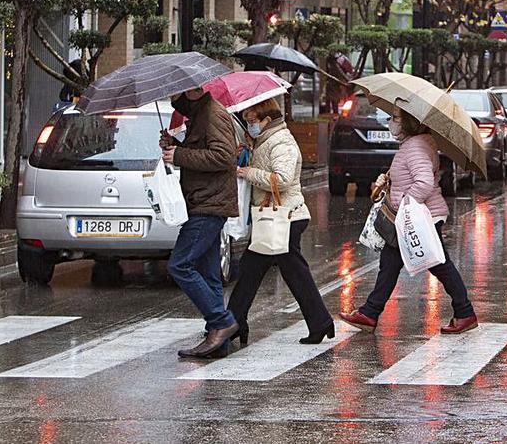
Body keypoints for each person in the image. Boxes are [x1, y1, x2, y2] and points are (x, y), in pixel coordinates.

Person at [339, 108, 478, 335]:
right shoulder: (414, 145)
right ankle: (370, 313)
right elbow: (412, 176)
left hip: (421, 218)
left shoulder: (415, 146)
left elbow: (423, 182)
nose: (391, 122)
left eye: (396, 118)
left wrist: (405, 204)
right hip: (414, 217)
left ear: (410, 123)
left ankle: (465, 312)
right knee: (390, 263)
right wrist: (388, 178)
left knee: (439, 265)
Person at [227, 99, 334, 345]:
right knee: (260, 272)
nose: (249, 125)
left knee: (259, 272)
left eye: (253, 121)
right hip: (275, 217)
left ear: (267, 119)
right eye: (247, 120)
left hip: (284, 217)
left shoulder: (281, 141)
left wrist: (248, 173)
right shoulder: (263, 140)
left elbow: (283, 179)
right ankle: (236, 322)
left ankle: (234, 323)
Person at [161, 87, 240, 358]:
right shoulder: (199, 113)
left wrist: (179, 156)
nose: (175, 98)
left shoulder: (212, 114)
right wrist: (176, 148)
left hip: (209, 204)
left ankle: (222, 322)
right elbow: (204, 153)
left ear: (193, 89)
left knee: (180, 265)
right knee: (208, 274)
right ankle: (219, 341)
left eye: (177, 92)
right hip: (203, 201)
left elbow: (223, 157)